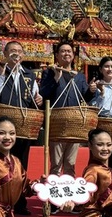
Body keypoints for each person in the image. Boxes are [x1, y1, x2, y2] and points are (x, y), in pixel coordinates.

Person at [0, 40, 42, 216]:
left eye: (19, 51)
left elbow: (33, 97)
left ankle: (19, 200)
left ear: (23, 55)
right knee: (1, 162)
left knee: (20, 163)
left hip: (24, 123)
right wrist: (3, 73)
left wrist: (38, 99)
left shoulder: (29, 75)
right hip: (4, 124)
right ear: (5, 53)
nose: (16, 53)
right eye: (12, 51)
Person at [39, 41, 94, 178]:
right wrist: (56, 80)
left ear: (73, 55)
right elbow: (44, 94)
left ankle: (68, 195)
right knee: (56, 162)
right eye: (63, 51)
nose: (66, 53)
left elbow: (84, 97)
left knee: (70, 162)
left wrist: (92, 91)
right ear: (57, 55)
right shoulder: (49, 73)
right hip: (56, 123)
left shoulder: (79, 76)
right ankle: (54, 195)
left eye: (69, 51)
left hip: (74, 124)